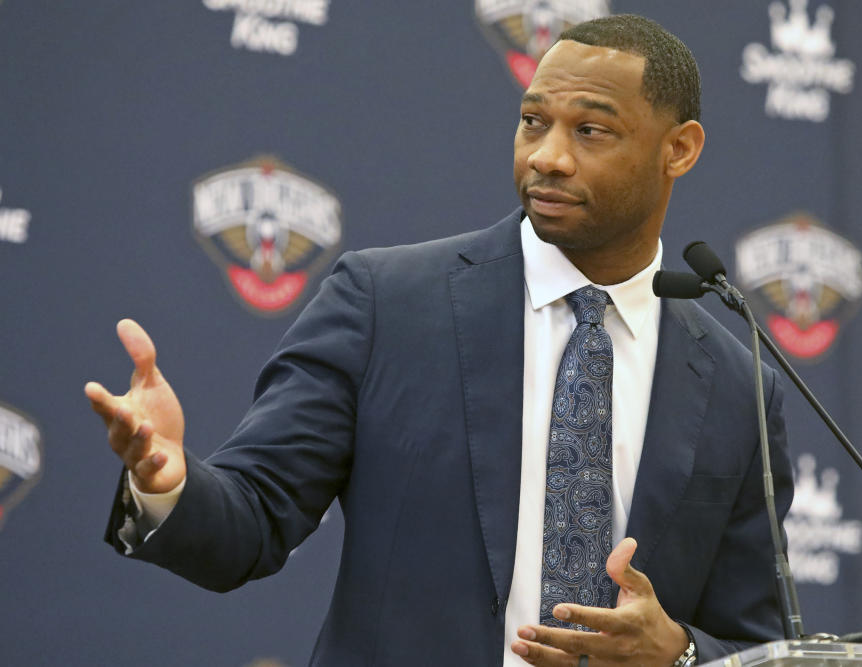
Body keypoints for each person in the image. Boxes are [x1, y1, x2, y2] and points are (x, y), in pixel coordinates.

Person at [85, 14, 793, 667]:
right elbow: (255, 516)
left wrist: (679, 652)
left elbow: (759, 642)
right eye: (532, 121)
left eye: (590, 131)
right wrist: (169, 482)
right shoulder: (386, 304)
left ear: (680, 148)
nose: (548, 157)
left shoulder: (738, 386)